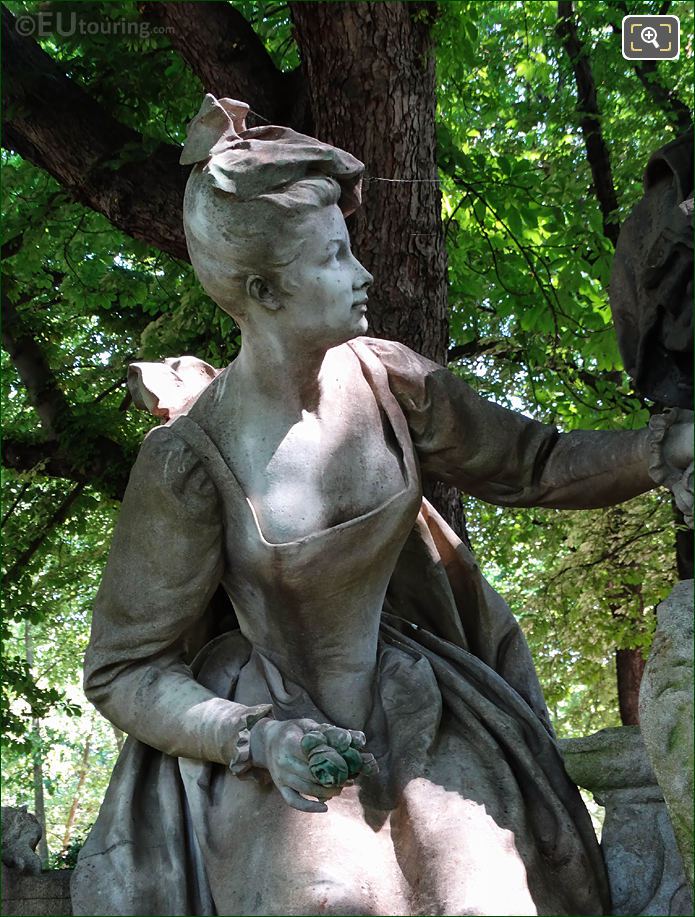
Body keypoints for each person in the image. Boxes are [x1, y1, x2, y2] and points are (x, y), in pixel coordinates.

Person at [71, 95, 693, 917]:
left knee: (491, 897)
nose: (362, 273)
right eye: (333, 257)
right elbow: (122, 669)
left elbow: (532, 464)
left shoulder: (390, 378)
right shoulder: (191, 464)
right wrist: (254, 735)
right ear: (263, 289)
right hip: (271, 737)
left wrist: (661, 449)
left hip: (417, 700)